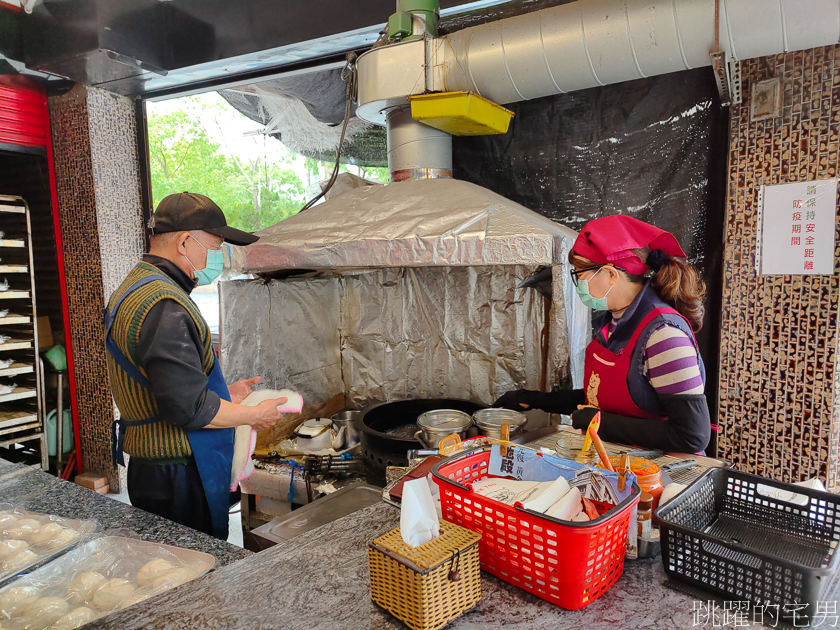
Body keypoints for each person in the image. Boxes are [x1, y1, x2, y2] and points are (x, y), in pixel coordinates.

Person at [103, 192, 287, 540]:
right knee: (193, 572)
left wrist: (225, 392)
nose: (218, 256)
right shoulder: (164, 304)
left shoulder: (134, 287)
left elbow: (162, 380)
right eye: (215, 246)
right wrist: (253, 415)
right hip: (176, 475)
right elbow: (189, 409)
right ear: (185, 242)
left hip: (156, 470)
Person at [495, 214, 711, 454]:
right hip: (621, 464)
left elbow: (692, 436)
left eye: (580, 274)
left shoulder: (664, 335)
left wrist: (601, 423)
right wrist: (531, 399)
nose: (577, 284)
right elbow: (599, 396)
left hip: (665, 473)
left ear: (610, 274)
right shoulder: (612, 323)